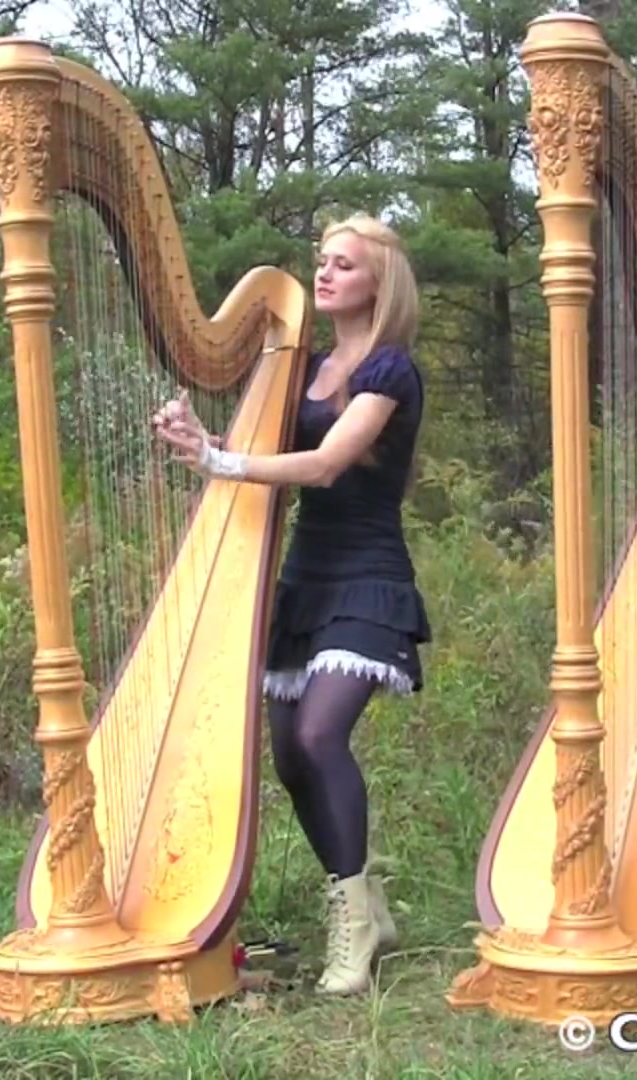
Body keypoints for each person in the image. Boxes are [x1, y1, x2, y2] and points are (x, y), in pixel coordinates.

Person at [151, 214, 428, 997]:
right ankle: (364, 896)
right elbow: (268, 440)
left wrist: (218, 459)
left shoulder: (391, 370)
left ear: (380, 281)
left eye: (345, 264)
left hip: (369, 575)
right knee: (289, 756)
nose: (327, 274)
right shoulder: (297, 364)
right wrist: (193, 430)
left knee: (319, 731)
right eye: (323, 262)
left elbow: (329, 464)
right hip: (305, 573)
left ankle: (353, 921)